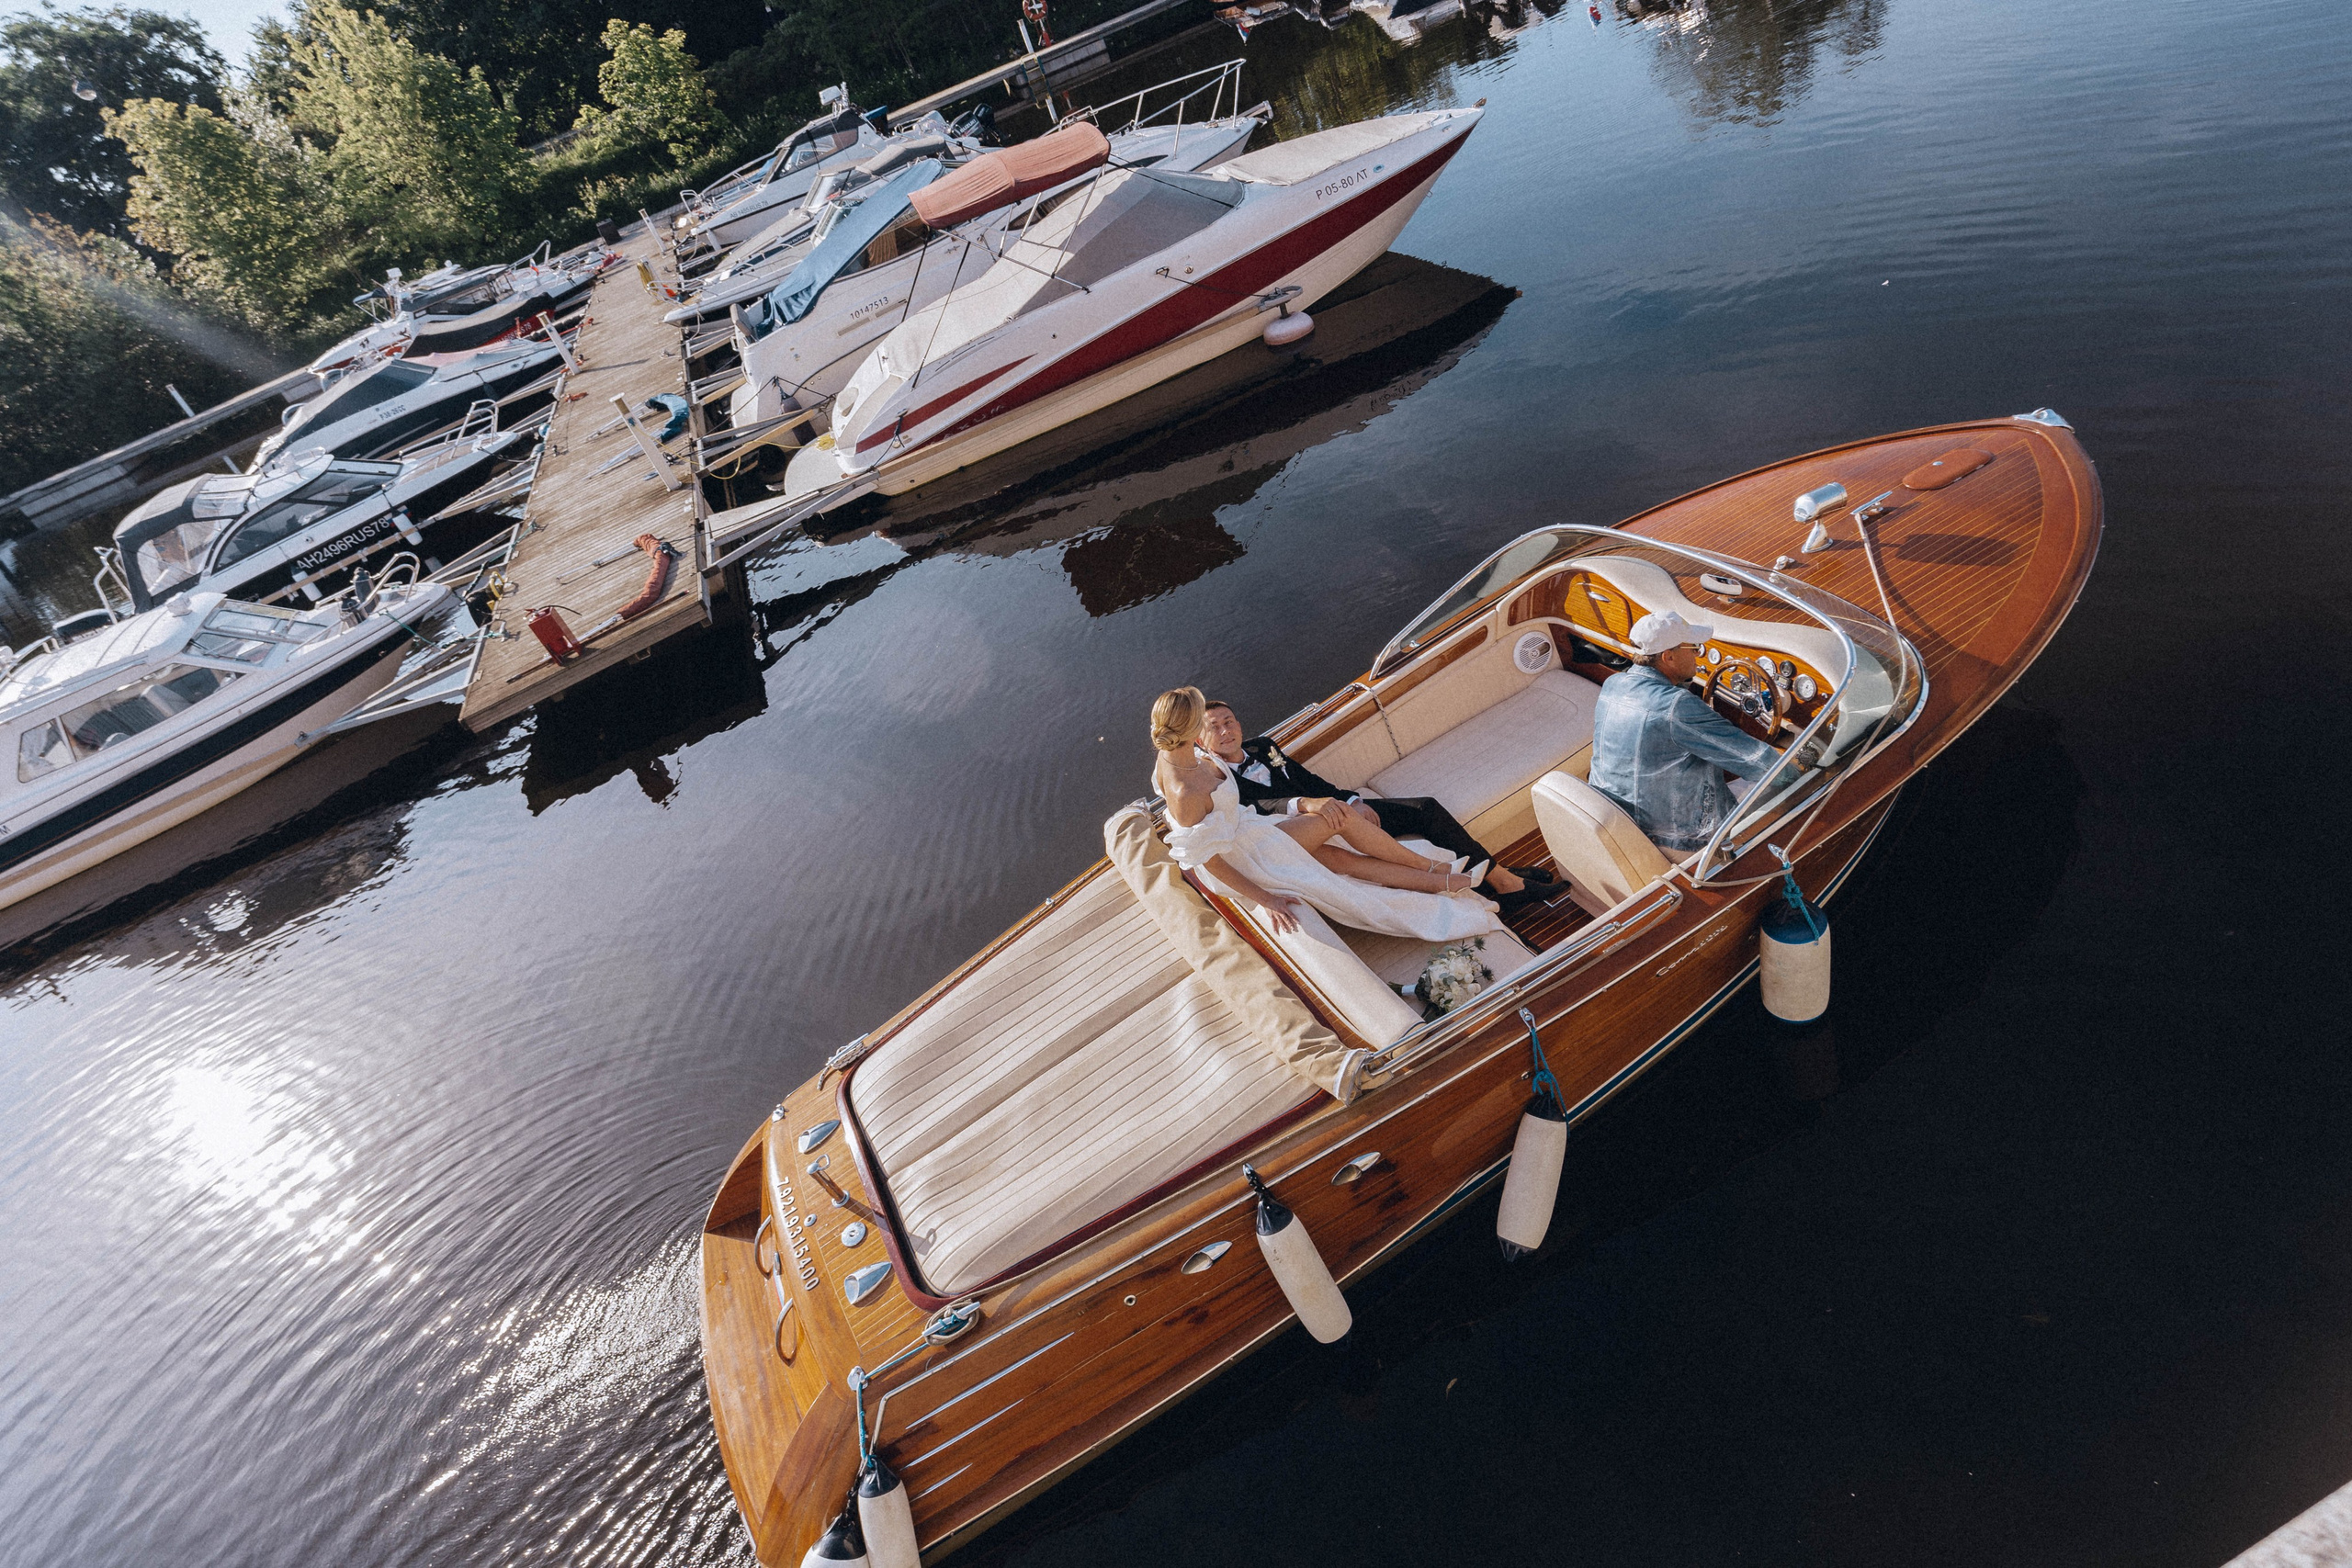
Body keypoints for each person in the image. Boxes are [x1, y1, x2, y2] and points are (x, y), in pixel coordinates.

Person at [1149, 686, 1502, 942]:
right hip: (1244, 854)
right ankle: (1431, 869)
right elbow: (1208, 860)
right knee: (1338, 818)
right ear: (1193, 732)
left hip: (1256, 829)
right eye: (1207, 724)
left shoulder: (1171, 755)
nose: (1221, 730)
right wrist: (1266, 899)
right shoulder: (1184, 791)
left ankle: (1441, 882)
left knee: (1339, 859)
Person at [1196, 699, 1566, 916]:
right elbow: (1260, 805)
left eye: (1230, 722)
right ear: (1201, 739)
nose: (1226, 731)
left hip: (1339, 810)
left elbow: (1310, 780)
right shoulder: (1214, 778)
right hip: (1311, 836)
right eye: (1215, 727)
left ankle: (1496, 874)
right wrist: (1308, 806)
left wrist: (1353, 799)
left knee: (1426, 808)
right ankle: (1506, 884)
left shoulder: (1263, 747)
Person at [1588, 610, 1809, 856]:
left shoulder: (1615, 685)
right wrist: (1805, 772)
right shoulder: (1676, 706)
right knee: (1786, 787)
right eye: (1692, 647)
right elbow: (1760, 764)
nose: (1698, 652)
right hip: (1677, 837)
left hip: (1625, 816)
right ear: (1668, 656)